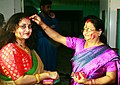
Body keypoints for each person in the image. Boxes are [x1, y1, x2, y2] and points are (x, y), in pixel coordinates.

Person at [30, 14, 120, 85]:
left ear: (99, 32)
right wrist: (41, 23)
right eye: (84, 29)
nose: (85, 32)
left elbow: (111, 78)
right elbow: (58, 37)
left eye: (89, 29)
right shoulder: (78, 43)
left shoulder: (108, 54)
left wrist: (88, 82)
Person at [0, 12, 59, 85]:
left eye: (30, 26)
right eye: (23, 26)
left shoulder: (28, 48)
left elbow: (36, 71)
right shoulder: (10, 50)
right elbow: (20, 81)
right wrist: (47, 75)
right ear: (13, 29)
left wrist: (48, 72)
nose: (28, 30)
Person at [33, 0, 59, 71]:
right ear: (42, 7)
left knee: (52, 60)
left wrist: (54, 19)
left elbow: (57, 29)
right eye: (47, 7)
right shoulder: (37, 18)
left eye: (50, 7)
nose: (49, 9)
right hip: (42, 44)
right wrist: (47, 29)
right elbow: (35, 32)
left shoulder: (50, 18)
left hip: (52, 44)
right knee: (43, 61)